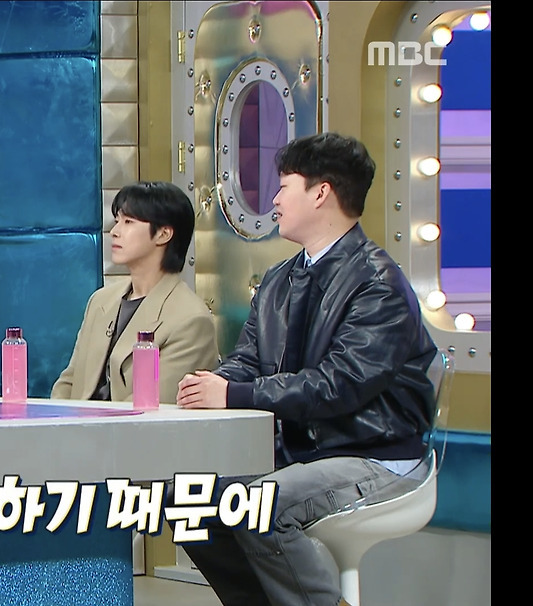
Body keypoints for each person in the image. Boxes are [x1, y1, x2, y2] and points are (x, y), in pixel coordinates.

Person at [174, 132, 438, 606]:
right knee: (183, 501)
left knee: (259, 506)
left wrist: (234, 395)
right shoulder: (279, 279)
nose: (274, 200)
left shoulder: (379, 284)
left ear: (321, 193)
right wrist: (212, 384)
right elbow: (248, 359)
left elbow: (340, 384)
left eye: (283, 187)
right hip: (303, 454)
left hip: (375, 455)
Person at [52, 181, 219, 403]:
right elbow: (69, 381)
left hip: (126, 425)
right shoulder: (100, 301)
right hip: (76, 423)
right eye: (117, 221)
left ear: (163, 234)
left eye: (128, 222)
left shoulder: (191, 321)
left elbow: (149, 407)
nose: (115, 232)